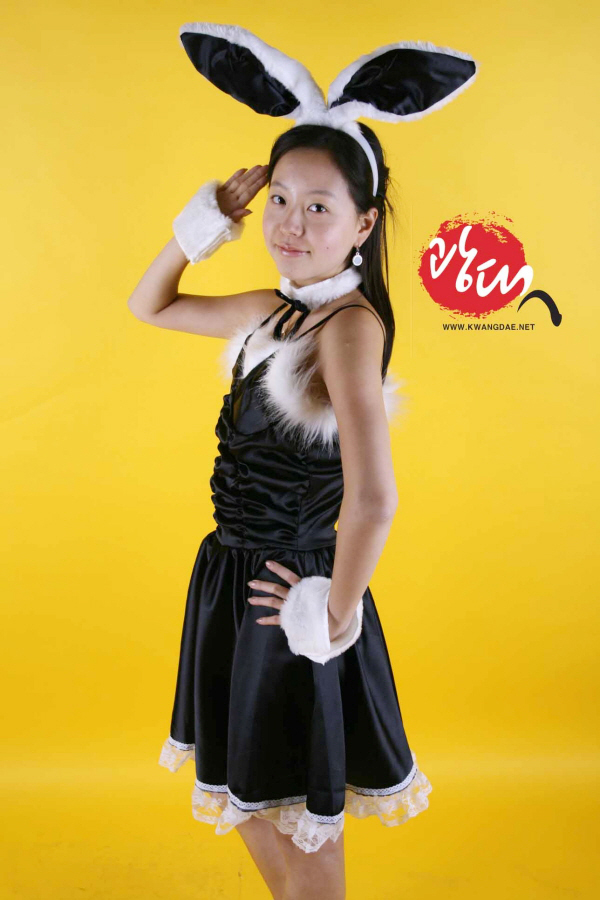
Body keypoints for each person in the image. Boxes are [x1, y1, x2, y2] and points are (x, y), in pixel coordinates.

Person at [128, 122, 433, 899]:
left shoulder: (349, 327)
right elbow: (150, 304)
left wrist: (330, 613)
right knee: (249, 793)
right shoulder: (276, 309)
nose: (290, 225)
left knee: (301, 817)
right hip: (227, 580)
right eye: (280, 200)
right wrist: (205, 225)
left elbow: (374, 497)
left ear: (364, 224)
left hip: (285, 595)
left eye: (319, 207)